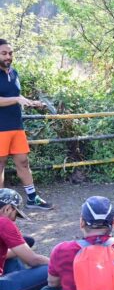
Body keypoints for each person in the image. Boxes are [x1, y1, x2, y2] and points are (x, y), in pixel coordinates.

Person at [0, 39, 52, 209]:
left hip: (16, 126)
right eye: (4, 53)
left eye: (10, 53)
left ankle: (32, 198)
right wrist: (16, 99)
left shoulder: (14, 73)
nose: (8, 56)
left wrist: (32, 102)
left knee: (23, 162)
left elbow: (16, 98)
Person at [0, 189, 49, 290]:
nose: (14, 219)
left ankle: (23, 281)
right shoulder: (3, 222)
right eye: (15, 214)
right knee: (51, 268)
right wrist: (62, 263)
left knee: (27, 242)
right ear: (7, 208)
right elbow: (33, 260)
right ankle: (21, 287)